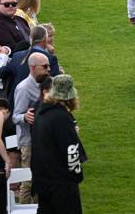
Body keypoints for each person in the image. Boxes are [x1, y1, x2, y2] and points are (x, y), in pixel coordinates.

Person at [31, 74, 85, 214]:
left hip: (42, 181)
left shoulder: (40, 115)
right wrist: (77, 176)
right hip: (62, 185)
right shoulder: (62, 118)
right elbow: (72, 151)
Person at [13, 52, 50, 204]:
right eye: (45, 67)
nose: (48, 69)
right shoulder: (23, 88)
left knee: (42, 179)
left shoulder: (48, 84)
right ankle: (24, 209)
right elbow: (15, 116)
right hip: (28, 142)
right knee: (28, 181)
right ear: (33, 68)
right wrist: (24, 117)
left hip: (44, 140)